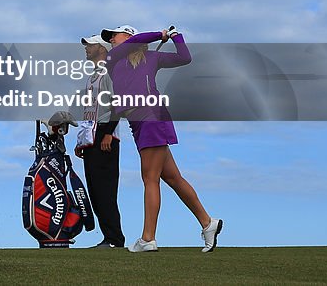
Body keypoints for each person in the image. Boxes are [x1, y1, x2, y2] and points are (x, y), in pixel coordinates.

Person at [100, 25, 223, 253]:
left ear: (128, 37)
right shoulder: (113, 59)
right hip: (140, 123)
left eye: (113, 37)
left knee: (150, 178)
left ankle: (148, 238)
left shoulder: (152, 57)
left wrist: (175, 36)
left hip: (151, 118)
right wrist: (160, 35)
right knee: (173, 178)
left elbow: (184, 57)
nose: (110, 41)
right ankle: (208, 223)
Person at [75, 34, 125, 248]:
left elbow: (119, 103)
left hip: (106, 133)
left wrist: (108, 133)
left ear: (102, 49)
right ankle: (109, 237)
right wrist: (82, 141)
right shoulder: (93, 75)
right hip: (93, 135)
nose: (87, 48)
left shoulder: (109, 72)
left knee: (105, 189)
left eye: (91, 45)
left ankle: (115, 238)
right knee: (95, 189)